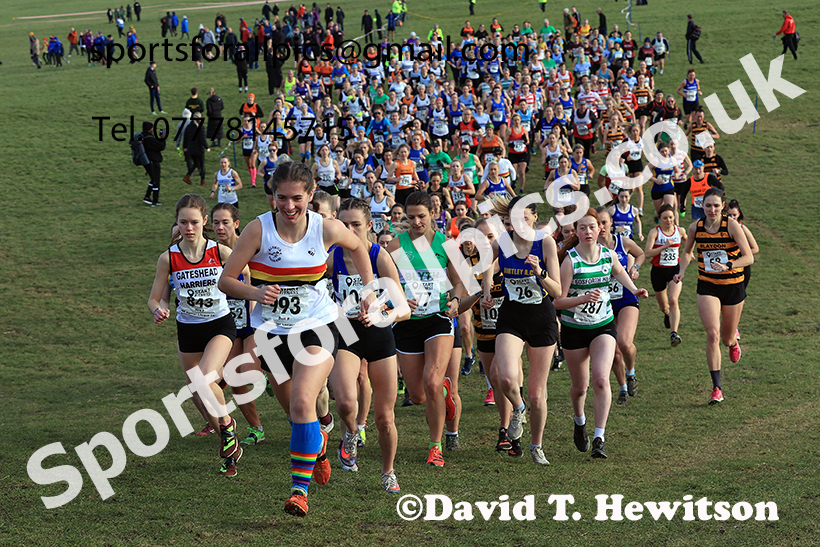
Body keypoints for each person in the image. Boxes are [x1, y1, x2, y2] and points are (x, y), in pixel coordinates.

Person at [218, 162, 378, 517]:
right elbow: (226, 280)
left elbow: (359, 247)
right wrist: (255, 293)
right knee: (297, 413)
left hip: (318, 325)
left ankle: (299, 492)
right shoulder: (257, 230)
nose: (289, 207)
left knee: (304, 402)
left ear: (311, 194)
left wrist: (369, 289)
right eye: (281, 198)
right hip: (272, 333)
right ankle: (318, 447)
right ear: (272, 195)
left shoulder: (326, 228)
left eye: (297, 199)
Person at [147, 194, 243, 476]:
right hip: (188, 330)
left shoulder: (220, 252)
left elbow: (246, 275)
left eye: (195, 222)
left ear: (204, 223)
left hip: (220, 325)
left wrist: (249, 302)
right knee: (200, 392)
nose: (189, 227)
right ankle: (230, 451)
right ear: (177, 223)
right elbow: (156, 298)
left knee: (205, 377)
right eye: (183, 222)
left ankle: (228, 426)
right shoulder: (168, 258)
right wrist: (158, 310)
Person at [328, 198, 409, 492]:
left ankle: (388, 471)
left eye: (356, 225)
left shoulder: (379, 257)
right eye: (344, 225)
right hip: (345, 336)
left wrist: (380, 313)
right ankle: (351, 432)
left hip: (379, 337)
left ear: (369, 227)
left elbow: (404, 309)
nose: (349, 230)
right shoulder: (331, 256)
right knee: (346, 401)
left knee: (385, 417)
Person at [555, 208, 648, 459]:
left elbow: (620, 273)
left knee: (600, 379)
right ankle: (579, 420)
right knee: (580, 387)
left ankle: (599, 438)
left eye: (591, 227)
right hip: (575, 329)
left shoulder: (608, 255)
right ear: (576, 231)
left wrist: (635, 289)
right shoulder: (570, 261)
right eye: (582, 227)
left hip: (603, 325)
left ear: (600, 230)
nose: (587, 231)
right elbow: (558, 302)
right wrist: (584, 298)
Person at [386, 191, 465, 468]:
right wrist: (395, 299)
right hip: (407, 323)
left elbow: (458, 282)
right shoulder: (396, 247)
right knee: (419, 396)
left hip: (438, 319)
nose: (417, 222)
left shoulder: (446, 245)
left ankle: (435, 446)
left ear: (432, 213)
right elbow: (386, 285)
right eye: (411, 218)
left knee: (431, 382)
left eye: (422, 216)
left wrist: (455, 301)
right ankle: (445, 390)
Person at [483, 195, 561, 464]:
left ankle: (536, 445)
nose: (519, 223)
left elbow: (558, 291)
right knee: (504, 378)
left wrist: (540, 273)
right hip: (512, 315)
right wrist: (486, 292)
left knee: (538, 394)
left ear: (534, 218)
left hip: (541, 317)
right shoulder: (503, 242)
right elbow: (486, 266)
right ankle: (518, 408)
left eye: (524, 217)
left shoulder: (545, 242)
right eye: (514, 219)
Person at [674, 188, 754, 404]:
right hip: (708, 285)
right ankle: (717, 388)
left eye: (716, 205)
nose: (712, 209)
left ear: (723, 206)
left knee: (726, 339)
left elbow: (749, 257)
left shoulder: (732, 225)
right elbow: (688, 252)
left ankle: (733, 340)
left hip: (733, 286)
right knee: (712, 334)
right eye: (708, 205)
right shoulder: (695, 228)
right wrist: (681, 272)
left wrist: (728, 264)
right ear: (702, 205)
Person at [211, 203, 268, 446]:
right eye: (215, 222)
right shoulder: (210, 253)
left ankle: (275, 377)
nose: (220, 227)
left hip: (256, 319)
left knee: (251, 372)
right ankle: (256, 429)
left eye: (225, 222)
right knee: (235, 379)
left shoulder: (252, 249)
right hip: (229, 323)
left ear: (236, 224)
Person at [597, 208, 645, 405]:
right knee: (614, 352)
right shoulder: (589, 247)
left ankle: (631, 371)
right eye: (597, 223)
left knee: (624, 343)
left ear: (611, 223)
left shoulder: (622, 242)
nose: (601, 227)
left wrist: (635, 267)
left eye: (604, 222)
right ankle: (623, 387)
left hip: (626, 298)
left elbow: (641, 254)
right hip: (603, 303)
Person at [645, 204, 687, 347]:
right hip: (658, 272)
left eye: (670, 217)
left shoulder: (680, 231)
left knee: (673, 300)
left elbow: (688, 241)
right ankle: (667, 313)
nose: (668, 220)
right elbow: (647, 253)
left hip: (674, 270)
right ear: (660, 218)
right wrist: (664, 246)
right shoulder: (654, 233)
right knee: (664, 306)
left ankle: (674, 334)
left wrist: (690, 252)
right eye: (665, 218)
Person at [141, 121, 166, 206]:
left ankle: (147, 197)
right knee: (156, 181)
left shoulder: (143, 136)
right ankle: (155, 201)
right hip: (153, 162)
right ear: (149, 129)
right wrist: (162, 138)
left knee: (153, 179)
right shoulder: (149, 139)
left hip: (147, 161)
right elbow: (161, 147)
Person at [182, 113, 210, 185]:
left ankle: (187, 176)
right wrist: (207, 147)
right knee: (201, 164)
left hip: (191, 148)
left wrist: (185, 147)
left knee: (195, 163)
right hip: (199, 148)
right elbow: (202, 138)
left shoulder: (188, 126)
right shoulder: (201, 127)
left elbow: (185, 137)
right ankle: (202, 180)